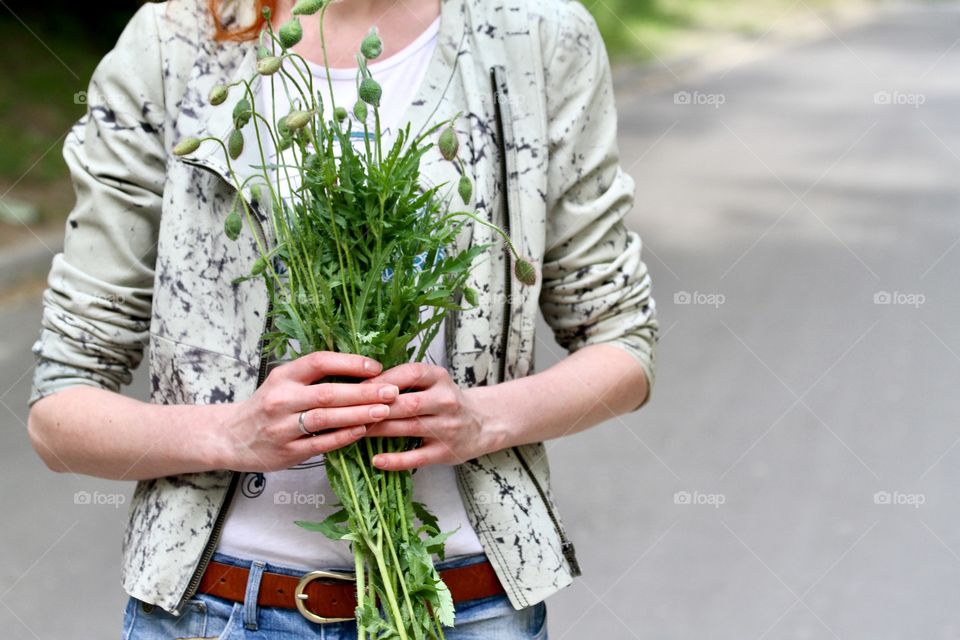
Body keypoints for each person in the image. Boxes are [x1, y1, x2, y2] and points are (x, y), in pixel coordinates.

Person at [25, 0, 658, 637]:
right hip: (214, 614)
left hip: (468, 610)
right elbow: (58, 421)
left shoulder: (535, 35)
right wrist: (233, 435)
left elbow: (623, 346)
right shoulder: (176, 43)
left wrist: (482, 419)